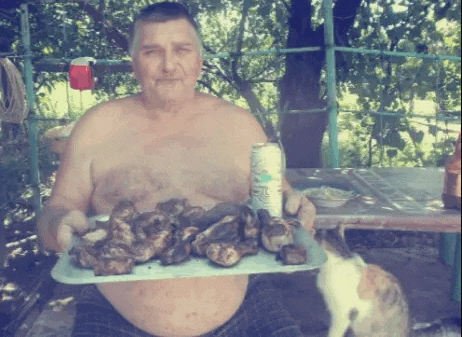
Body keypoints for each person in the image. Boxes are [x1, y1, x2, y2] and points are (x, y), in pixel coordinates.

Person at [37, 3, 317, 337]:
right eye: (152, 51)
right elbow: (54, 213)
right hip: (116, 318)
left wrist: (297, 209)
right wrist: (58, 224)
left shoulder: (240, 127)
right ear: (134, 63)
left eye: (182, 50)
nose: (169, 65)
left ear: (200, 60)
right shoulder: (96, 128)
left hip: (245, 308)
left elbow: (279, 199)